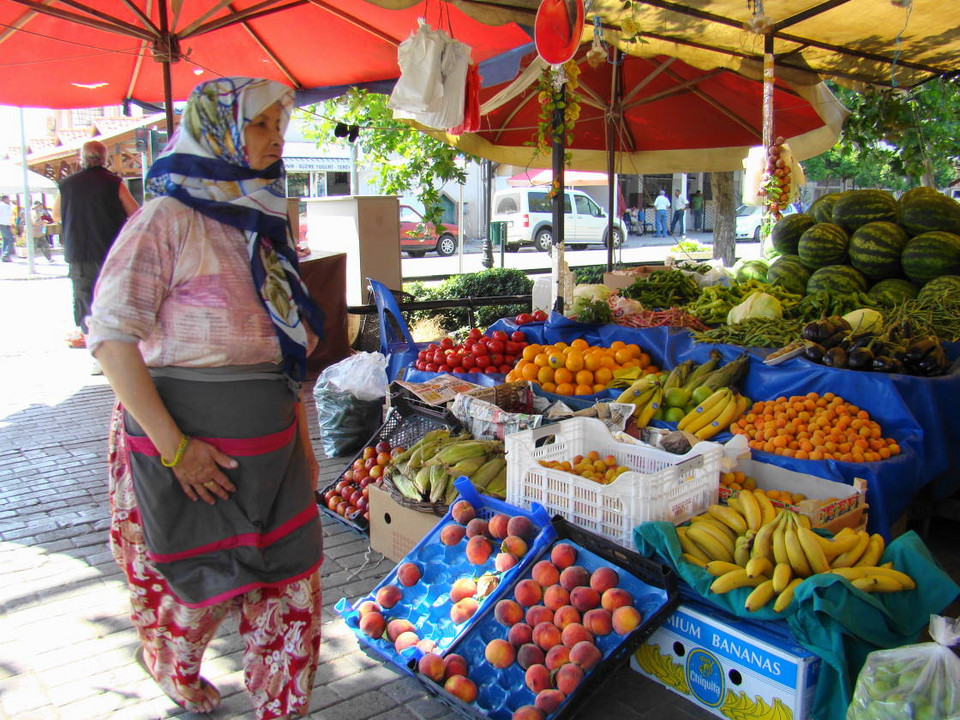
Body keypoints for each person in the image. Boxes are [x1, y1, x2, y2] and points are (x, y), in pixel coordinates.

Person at [87, 76, 326, 720]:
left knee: (291, 589)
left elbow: (285, 351)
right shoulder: (165, 220)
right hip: (187, 453)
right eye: (261, 125)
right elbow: (111, 340)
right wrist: (177, 451)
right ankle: (177, 676)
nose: (277, 140)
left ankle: (283, 709)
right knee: (195, 598)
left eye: (280, 126)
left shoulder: (263, 220)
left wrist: (302, 444)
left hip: (272, 448)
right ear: (218, 127)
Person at [53, 140, 139, 348]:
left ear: (81, 158)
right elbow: (135, 212)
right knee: (111, 298)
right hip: (110, 251)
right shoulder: (114, 182)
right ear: (105, 159)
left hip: (79, 252)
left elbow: (56, 215)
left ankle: (94, 347)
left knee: (85, 299)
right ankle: (114, 349)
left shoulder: (66, 184)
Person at [0, 195, 13, 262]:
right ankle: (5, 255)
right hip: (5, 224)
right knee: (10, 239)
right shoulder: (6, 206)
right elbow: (9, 216)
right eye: (8, 199)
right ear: (5, 199)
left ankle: (4, 255)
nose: (9, 201)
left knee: (5, 240)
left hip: (2, 224)